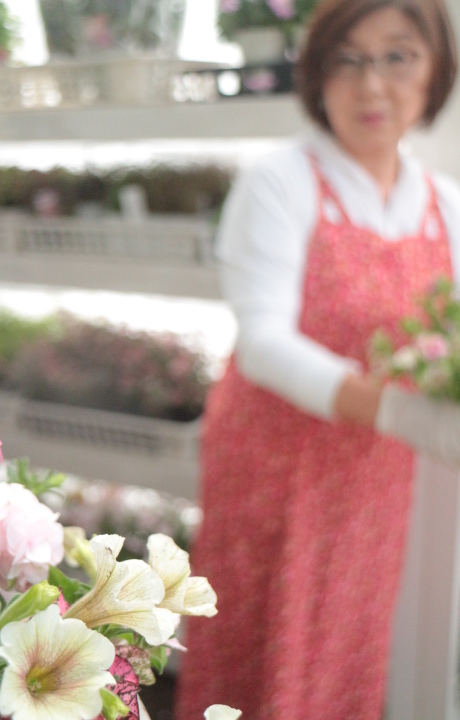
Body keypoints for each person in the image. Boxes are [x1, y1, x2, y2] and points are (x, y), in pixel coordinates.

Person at [175, 1, 460, 718]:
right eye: (348, 59)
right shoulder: (281, 181)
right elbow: (264, 343)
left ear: (434, 71)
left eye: (398, 56)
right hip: (272, 469)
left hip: (370, 479)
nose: (373, 84)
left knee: (345, 645)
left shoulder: (444, 204)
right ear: (317, 74)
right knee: (261, 644)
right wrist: (399, 412)